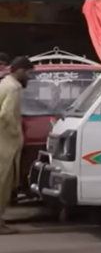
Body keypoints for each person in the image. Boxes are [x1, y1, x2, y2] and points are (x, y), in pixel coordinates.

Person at [0, 56, 33, 235]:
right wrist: (15, 135)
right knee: (3, 185)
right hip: (5, 145)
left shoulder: (5, 83)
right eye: (28, 73)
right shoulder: (14, 88)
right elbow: (6, 115)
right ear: (20, 71)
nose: (29, 77)